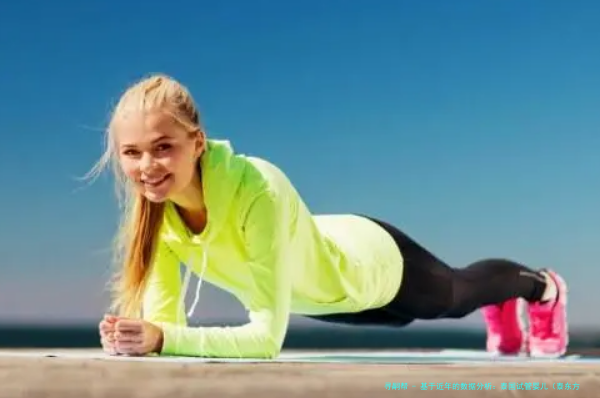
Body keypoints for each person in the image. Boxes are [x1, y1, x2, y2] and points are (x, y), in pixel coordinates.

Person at [93, 74, 568, 359]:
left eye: (163, 147)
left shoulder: (257, 187)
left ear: (197, 143)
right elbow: (166, 327)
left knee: (453, 297)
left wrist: (162, 338)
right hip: (322, 297)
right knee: (399, 322)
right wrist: (139, 338)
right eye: (131, 153)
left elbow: (265, 340)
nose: (146, 166)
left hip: (368, 263)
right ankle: (500, 302)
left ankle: (541, 289)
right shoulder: (154, 217)